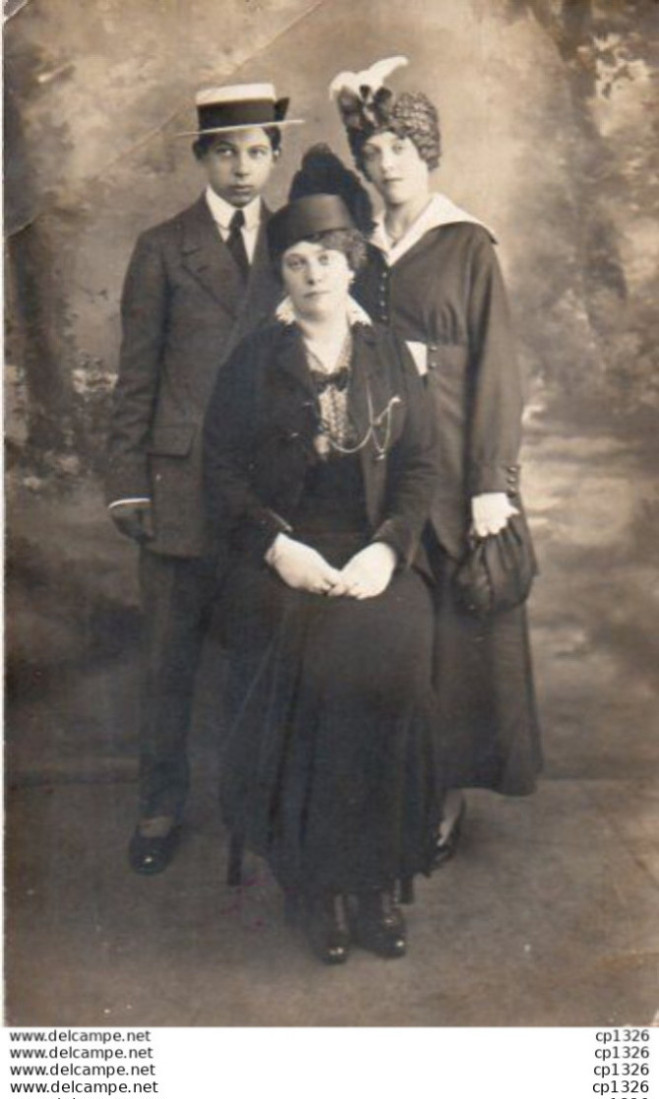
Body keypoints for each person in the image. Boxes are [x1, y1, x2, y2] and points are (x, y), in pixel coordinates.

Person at [203, 164, 442, 964]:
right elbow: (222, 473)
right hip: (283, 555)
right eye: (297, 262)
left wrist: (388, 548)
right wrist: (278, 546)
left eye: (327, 260)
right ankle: (315, 883)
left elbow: (417, 468)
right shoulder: (253, 362)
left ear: (353, 265)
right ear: (282, 272)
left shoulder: (388, 358)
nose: (312, 275)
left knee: (394, 655)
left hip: (371, 549)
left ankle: (374, 881)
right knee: (317, 664)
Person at [331, 57, 543, 856]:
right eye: (373, 152)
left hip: (453, 468)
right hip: (375, 465)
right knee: (389, 630)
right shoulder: (360, 247)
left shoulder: (464, 244)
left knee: (456, 641)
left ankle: (444, 791)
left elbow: (497, 368)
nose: (385, 164)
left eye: (399, 149)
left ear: (427, 154)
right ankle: (388, 783)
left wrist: (492, 481)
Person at [106, 83, 303, 875]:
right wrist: (128, 480)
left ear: (275, 157)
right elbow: (136, 375)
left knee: (265, 655)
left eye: (258, 151)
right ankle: (159, 803)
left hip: (266, 490)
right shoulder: (162, 247)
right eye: (226, 151)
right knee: (169, 659)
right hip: (180, 488)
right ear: (200, 157)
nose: (243, 167)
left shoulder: (296, 246)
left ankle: (256, 804)